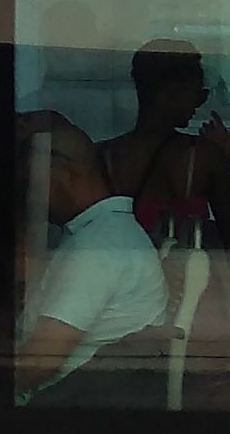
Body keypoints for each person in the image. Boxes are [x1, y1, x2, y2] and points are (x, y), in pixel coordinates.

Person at [16, 123, 167, 392]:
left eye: (32, 181)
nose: (29, 194)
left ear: (67, 173)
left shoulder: (98, 247)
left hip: (60, 399)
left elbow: (38, 363)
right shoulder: (110, 233)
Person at [98, 44, 230, 249]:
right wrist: (225, 160)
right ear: (170, 94)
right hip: (184, 268)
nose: (199, 104)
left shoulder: (103, 156)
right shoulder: (203, 157)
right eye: (198, 94)